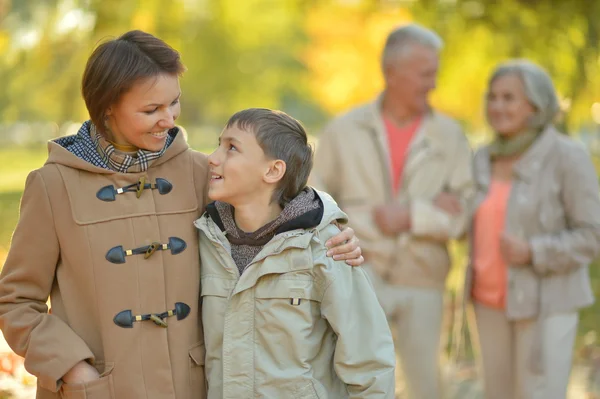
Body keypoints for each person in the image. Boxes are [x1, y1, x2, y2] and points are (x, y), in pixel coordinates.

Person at [0, 30, 363, 399]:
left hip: (193, 387)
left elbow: (278, 200)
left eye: (174, 103)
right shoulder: (52, 186)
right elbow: (16, 301)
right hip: (98, 390)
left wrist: (330, 225)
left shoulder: (200, 173)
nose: (169, 119)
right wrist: (70, 367)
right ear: (108, 107)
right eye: (151, 110)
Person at [310, 23, 475, 398]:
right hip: (359, 274)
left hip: (424, 280)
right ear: (391, 72)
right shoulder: (343, 129)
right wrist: (373, 219)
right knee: (356, 381)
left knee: (427, 386)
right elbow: (315, 205)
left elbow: (464, 215)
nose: (433, 83)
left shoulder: (450, 135)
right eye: (425, 73)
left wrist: (412, 216)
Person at [195, 108, 396, 398]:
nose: (212, 157)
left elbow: (370, 362)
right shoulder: (206, 238)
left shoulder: (326, 246)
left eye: (232, 148)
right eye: (219, 144)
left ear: (273, 170)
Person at [466, 59, 600, 399]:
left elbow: (592, 235)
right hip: (486, 302)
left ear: (536, 105)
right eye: (492, 97)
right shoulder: (482, 157)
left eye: (509, 98)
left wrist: (535, 251)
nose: (497, 106)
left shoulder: (567, 156)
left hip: (546, 306)